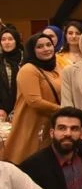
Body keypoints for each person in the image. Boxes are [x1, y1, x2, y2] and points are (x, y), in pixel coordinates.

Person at [4, 34, 62, 164]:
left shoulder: (57, 66)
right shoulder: (28, 70)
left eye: (48, 45)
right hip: (33, 123)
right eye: (39, 46)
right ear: (31, 50)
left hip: (52, 122)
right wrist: (63, 110)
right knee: (31, 161)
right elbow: (34, 102)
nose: (46, 49)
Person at [0, 28, 23, 122]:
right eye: (3, 39)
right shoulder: (1, 60)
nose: (7, 42)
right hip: (2, 108)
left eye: (10, 39)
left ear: (16, 41)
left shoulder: (25, 59)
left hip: (22, 105)